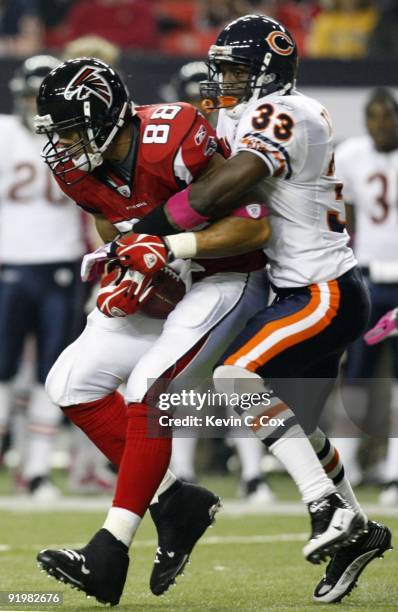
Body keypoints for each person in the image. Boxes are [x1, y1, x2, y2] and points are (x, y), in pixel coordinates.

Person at [117, 14, 392, 604]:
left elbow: (226, 188)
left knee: (235, 378)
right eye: (221, 70)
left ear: (270, 74)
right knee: (303, 428)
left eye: (237, 71)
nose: (224, 82)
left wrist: (151, 233)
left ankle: (324, 507)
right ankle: (357, 530)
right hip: (302, 290)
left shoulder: (286, 112)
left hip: (323, 290)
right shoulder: (247, 113)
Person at [33, 57, 271, 604]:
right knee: (69, 383)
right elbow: (110, 219)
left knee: (146, 390)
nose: (64, 144)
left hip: (225, 274)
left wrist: (168, 247)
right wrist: (129, 263)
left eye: (71, 128)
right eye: (57, 132)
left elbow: (253, 224)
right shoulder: (75, 169)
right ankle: (175, 504)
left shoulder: (175, 135)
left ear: (109, 116)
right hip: (166, 278)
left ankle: (109, 550)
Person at [164, 59, 276, 503]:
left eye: (203, 99)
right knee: (184, 373)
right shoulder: (165, 149)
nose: (199, 108)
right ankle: (184, 471)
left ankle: (252, 471)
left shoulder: (230, 141)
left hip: (238, 263)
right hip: (188, 268)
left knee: (239, 370)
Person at [0, 54, 87, 498]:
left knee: (49, 373)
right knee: (2, 370)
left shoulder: (81, 137)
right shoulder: (3, 134)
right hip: (9, 263)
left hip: (61, 262)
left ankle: (36, 470)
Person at [335, 87, 398, 503]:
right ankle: (345, 464)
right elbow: (348, 212)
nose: (380, 124)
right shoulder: (352, 153)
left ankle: (394, 470)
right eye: (373, 116)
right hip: (368, 279)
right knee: (355, 373)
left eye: (387, 115)